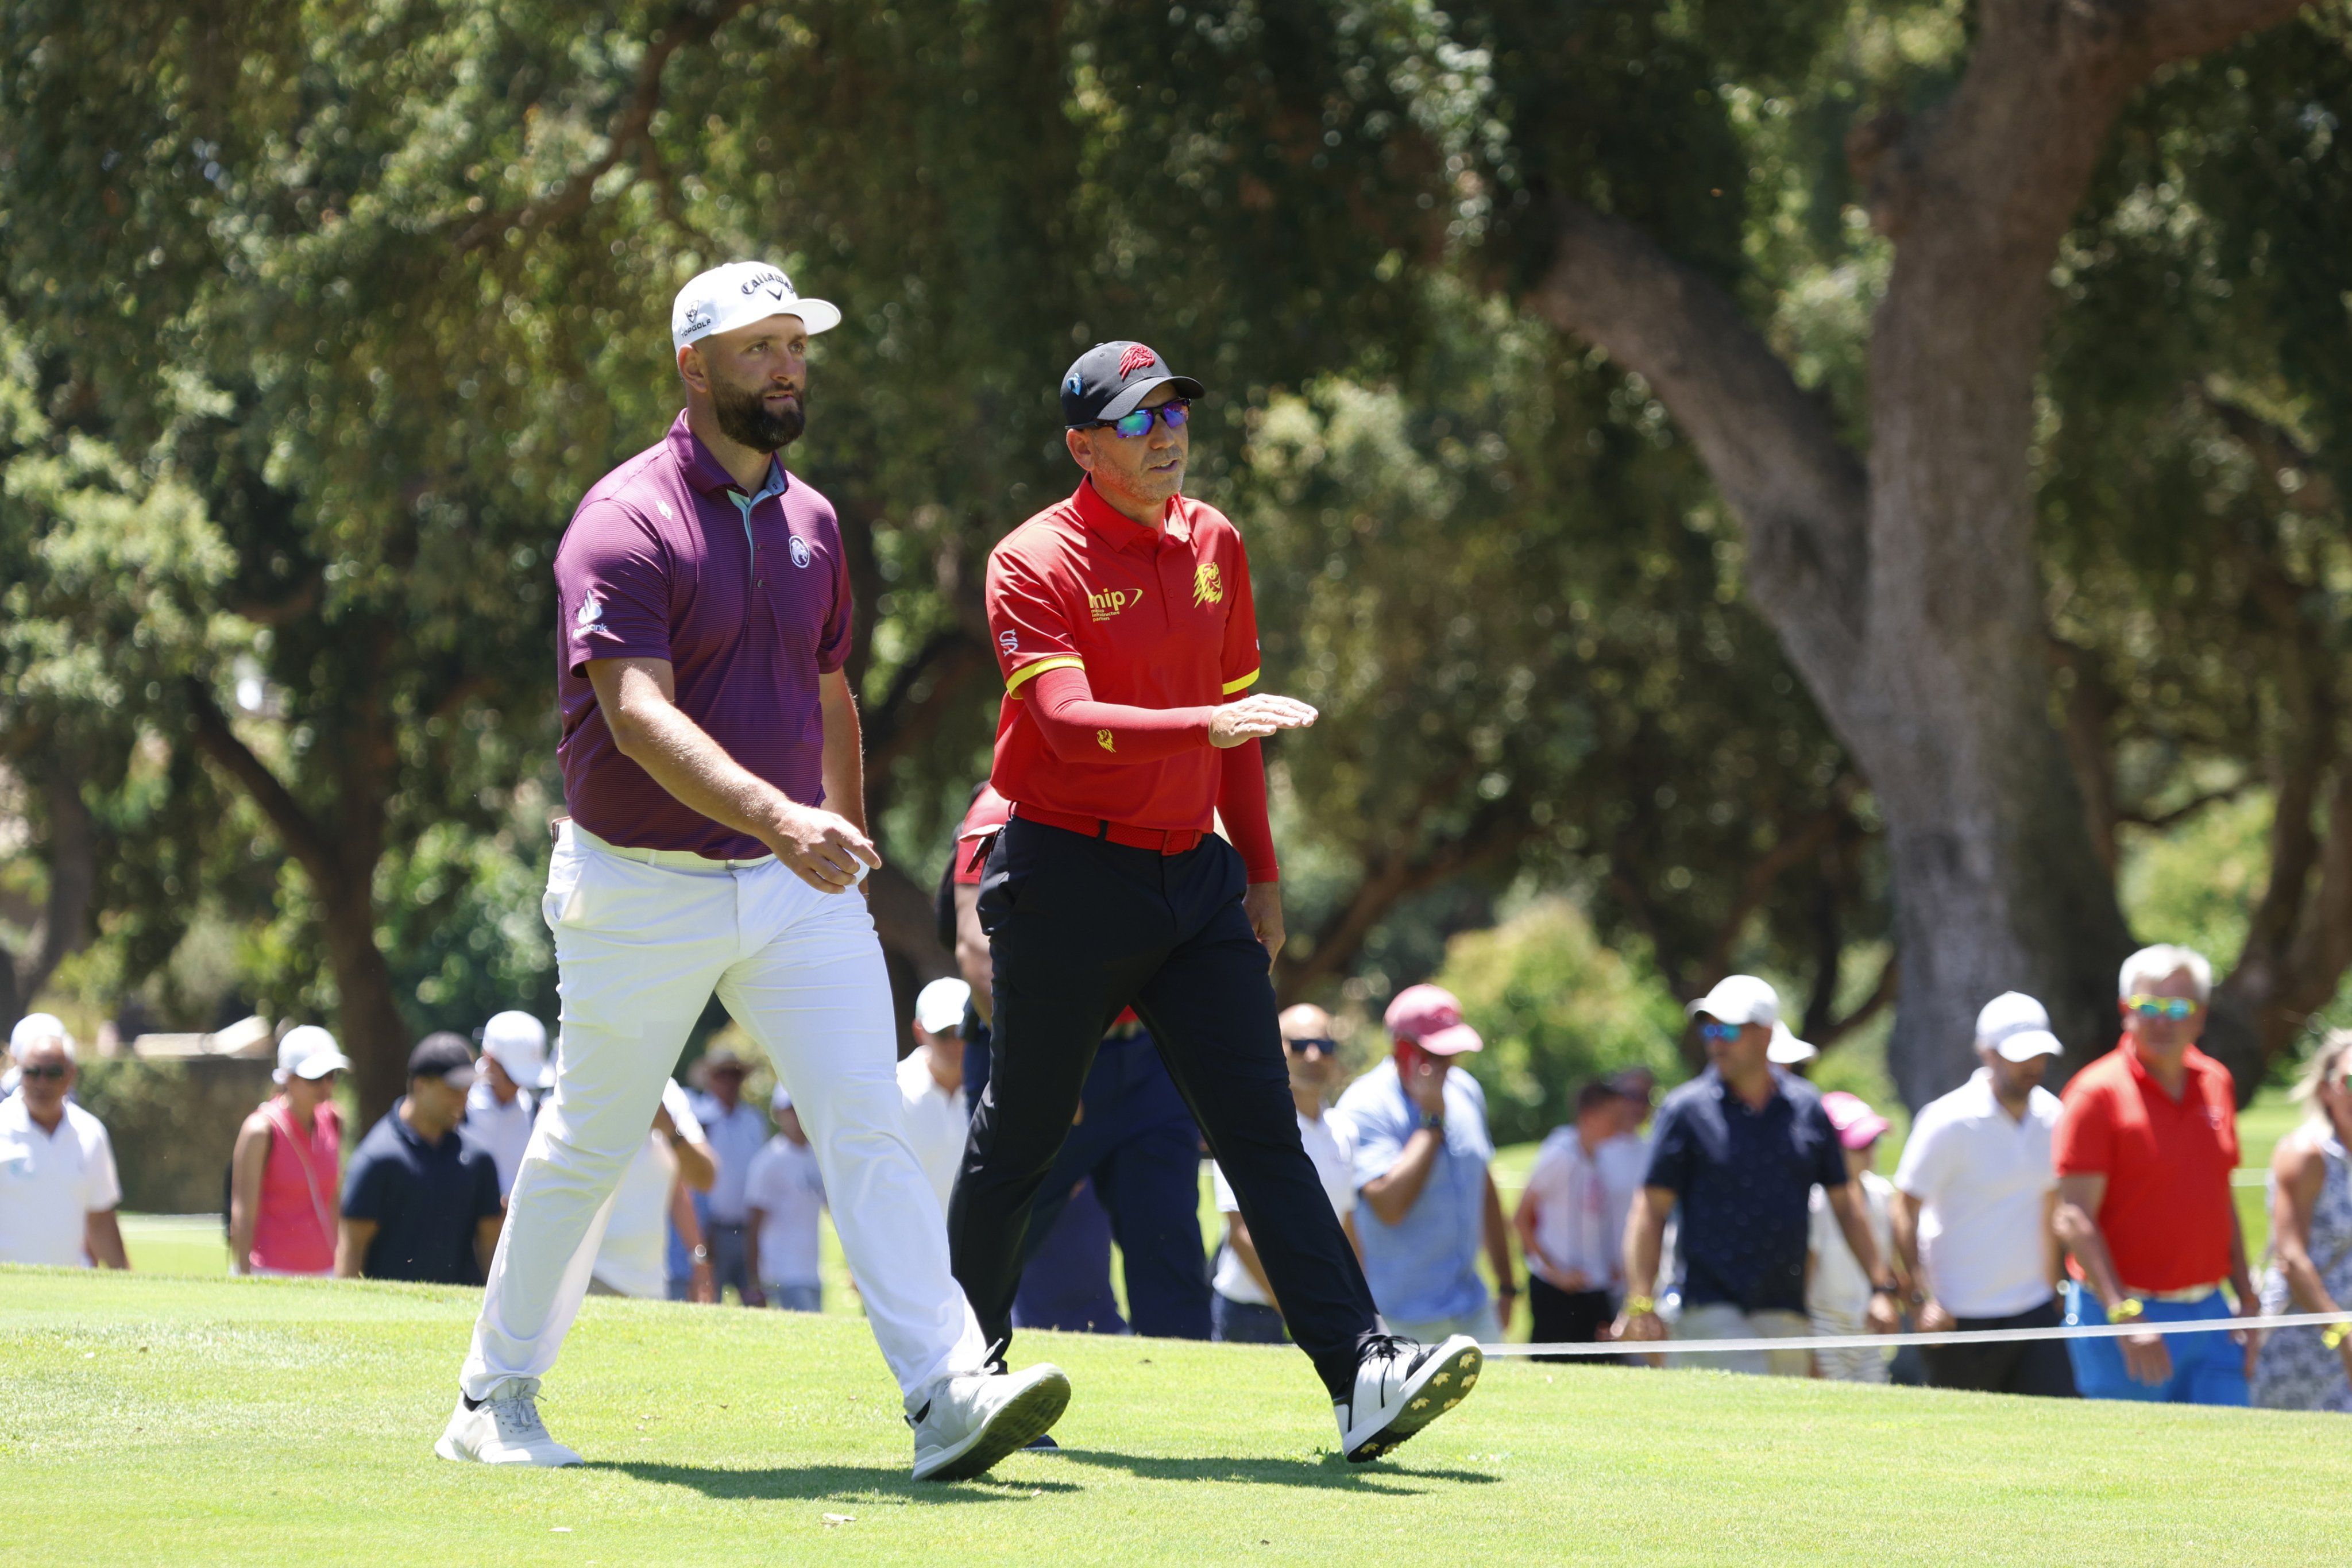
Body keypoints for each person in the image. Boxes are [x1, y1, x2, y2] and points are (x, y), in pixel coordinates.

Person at [442, 262, 1062, 1479]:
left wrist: (840, 830)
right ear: (695, 367)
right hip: (638, 884)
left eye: (795, 344)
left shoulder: (814, 523)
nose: (786, 366)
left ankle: (943, 1390)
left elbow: (831, 689)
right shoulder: (624, 521)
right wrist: (782, 816)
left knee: (865, 1120)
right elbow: (633, 715)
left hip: (791, 888)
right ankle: (490, 1396)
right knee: (590, 1143)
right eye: (758, 347)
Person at [952, 339, 1480, 1465]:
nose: (1165, 435)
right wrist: (1204, 727)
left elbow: (1242, 723)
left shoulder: (1213, 542)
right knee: (1027, 1134)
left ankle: (1361, 1376)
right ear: (1081, 446)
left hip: (1193, 880)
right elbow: (1065, 722)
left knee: (1260, 1132)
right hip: (1061, 874)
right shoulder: (1030, 558)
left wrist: (1265, 873)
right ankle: (960, 1367)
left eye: (1174, 413)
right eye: (1137, 421)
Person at [947, 781, 1215, 1342]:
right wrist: (1041, 1067)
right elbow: (977, 954)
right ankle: (961, 1387)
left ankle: (1186, 1420)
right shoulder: (1001, 806)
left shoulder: (1152, 793)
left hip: (1146, 1058)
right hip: (1042, 1049)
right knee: (995, 1243)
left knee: (1171, 1254)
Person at [1616, 976, 1899, 1374]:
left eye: (1728, 1029)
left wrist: (1879, 1286)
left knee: (1782, 1425)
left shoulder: (1806, 1109)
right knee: (1742, 1404)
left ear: (1766, 1034)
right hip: (1708, 1305)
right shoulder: (1685, 1111)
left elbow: (1846, 1204)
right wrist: (1640, 1300)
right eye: (1709, 1028)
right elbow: (1649, 1211)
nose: (1716, 1040)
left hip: (1785, 1308)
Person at [2053, 944, 2257, 1405]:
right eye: (2148, 1007)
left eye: (2177, 1008)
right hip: (2124, 1316)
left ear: (2199, 1017)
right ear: (2126, 1011)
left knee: (2228, 1462)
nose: (2162, 1021)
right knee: (2130, 1470)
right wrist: (2123, 1312)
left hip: (2210, 1313)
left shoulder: (2216, 1082)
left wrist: (2247, 1298)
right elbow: (2072, 1217)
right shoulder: (2094, 1094)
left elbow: (2218, 1197)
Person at [1891, 991, 2073, 1398]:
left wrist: (2054, 1287)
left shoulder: (2053, 1116)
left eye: (2040, 1054)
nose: (2034, 1066)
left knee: (2051, 1436)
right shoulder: (1946, 1121)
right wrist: (1919, 1299)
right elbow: (1904, 1207)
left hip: (2034, 1311)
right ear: (1986, 1053)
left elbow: (2048, 1205)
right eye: (2020, 1055)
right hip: (1957, 1315)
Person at [1338, 984, 1515, 1344]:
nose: (1448, 1063)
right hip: (1400, 1319)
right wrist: (1431, 1122)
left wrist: (1508, 1285)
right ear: (1402, 1048)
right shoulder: (1364, 1106)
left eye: (1453, 1053)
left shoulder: (1466, 1090)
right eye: (1436, 1053)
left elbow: (1484, 1186)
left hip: (1473, 1308)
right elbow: (1389, 1206)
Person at [1211, 1003, 1360, 1345]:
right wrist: (1299, 1310)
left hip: (1323, 1314)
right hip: (1249, 1315)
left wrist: (1357, 1305)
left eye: (1324, 1047)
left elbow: (1346, 1228)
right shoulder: (1244, 1126)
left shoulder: (1344, 1132)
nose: (1313, 1056)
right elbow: (1241, 1234)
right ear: (1270, 1047)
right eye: (1298, 1045)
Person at [339, 1034, 504, 1284]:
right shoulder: (378, 1159)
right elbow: (352, 1250)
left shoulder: (478, 1160)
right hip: (388, 1316)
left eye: (467, 1090)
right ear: (420, 1086)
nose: (463, 1100)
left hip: (462, 1317)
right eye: (452, 1090)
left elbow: (491, 1246)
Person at [2253, 1030, 2352, 1412]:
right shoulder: (2306, 1154)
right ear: (2326, 1091)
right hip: (2302, 1338)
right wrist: (2340, 1330)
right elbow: (2290, 1257)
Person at [1515, 1080, 1639, 1350]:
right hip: (1559, 1292)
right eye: (1614, 1115)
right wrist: (1554, 1272)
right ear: (1590, 1115)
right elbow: (1522, 1217)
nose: (1621, 1121)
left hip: (1594, 1287)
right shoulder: (1560, 1155)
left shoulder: (1598, 1156)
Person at [0, 1014, 128, 1269]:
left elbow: (101, 1219)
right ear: (19, 1074)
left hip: (71, 1296)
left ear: (70, 1075)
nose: (41, 1083)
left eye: (53, 1073)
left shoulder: (91, 1133)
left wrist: (132, 1291)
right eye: (32, 1072)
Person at [228, 1024, 351, 1277]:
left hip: (326, 1272)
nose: (326, 1086)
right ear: (288, 1078)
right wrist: (242, 1277)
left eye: (332, 1076)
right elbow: (243, 1213)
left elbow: (333, 1200)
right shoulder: (260, 1130)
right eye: (315, 1077)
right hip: (270, 1272)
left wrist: (343, 1265)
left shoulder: (335, 1120)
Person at [585, 1076, 717, 1301]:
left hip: (651, 1284)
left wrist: (699, 1260)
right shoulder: (592, 1079)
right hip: (590, 1275)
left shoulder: (671, 1093)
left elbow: (701, 1180)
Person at [1806, 1091, 1900, 1381]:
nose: (1869, 1152)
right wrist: (1807, 1347)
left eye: (1872, 1142)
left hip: (1867, 1331)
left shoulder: (1882, 1194)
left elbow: (1887, 1263)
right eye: (1858, 1145)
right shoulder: (1816, 1202)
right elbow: (1806, 1278)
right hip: (1825, 1330)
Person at [686, 1045, 770, 1306]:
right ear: (711, 1079)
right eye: (722, 1075)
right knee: (710, 1301)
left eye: (735, 1075)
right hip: (713, 1227)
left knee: (754, 1301)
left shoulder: (754, 1121)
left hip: (748, 1228)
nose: (729, 1082)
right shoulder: (700, 1119)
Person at [745, 1086, 827, 1312]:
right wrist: (755, 1280)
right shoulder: (769, 1161)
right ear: (779, 1113)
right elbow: (754, 1225)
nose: (798, 1115)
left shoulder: (816, 1157)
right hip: (783, 1271)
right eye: (792, 1109)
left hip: (811, 1269)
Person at [901, 978, 973, 1212]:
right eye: (943, 1033)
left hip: (978, 1245)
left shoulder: (995, 1088)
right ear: (919, 1031)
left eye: (962, 1032)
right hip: (909, 1242)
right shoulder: (894, 1089)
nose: (954, 1043)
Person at [467, 1011, 551, 1199]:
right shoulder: (460, 1109)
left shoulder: (537, 1113)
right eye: (512, 1076)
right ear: (488, 1058)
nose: (518, 1086)